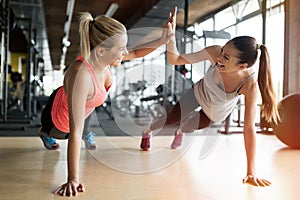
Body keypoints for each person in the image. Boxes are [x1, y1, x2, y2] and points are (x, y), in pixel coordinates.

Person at [38, 10, 174, 196]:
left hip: (76, 103)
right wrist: (73, 178)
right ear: (101, 50)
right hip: (56, 119)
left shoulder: (104, 57)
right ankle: (44, 133)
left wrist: (162, 40)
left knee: (82, 123)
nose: (125, 52)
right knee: (67, 134)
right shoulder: (82, 76)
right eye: (121, 48)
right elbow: (75, 132)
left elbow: (134, 52)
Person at [140, 7, 279, 187]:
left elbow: (249, 128)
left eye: (226, 58)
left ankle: (180, 132)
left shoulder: (250, 85)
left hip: (215, 112)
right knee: (171, 118)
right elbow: (176, 59)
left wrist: (251, 172)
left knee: (187, 127)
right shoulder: (215, 52)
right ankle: (147, 131)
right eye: (222, 52)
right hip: (199, 93)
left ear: (242, 66)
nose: (219, 58)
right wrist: (170, 36)